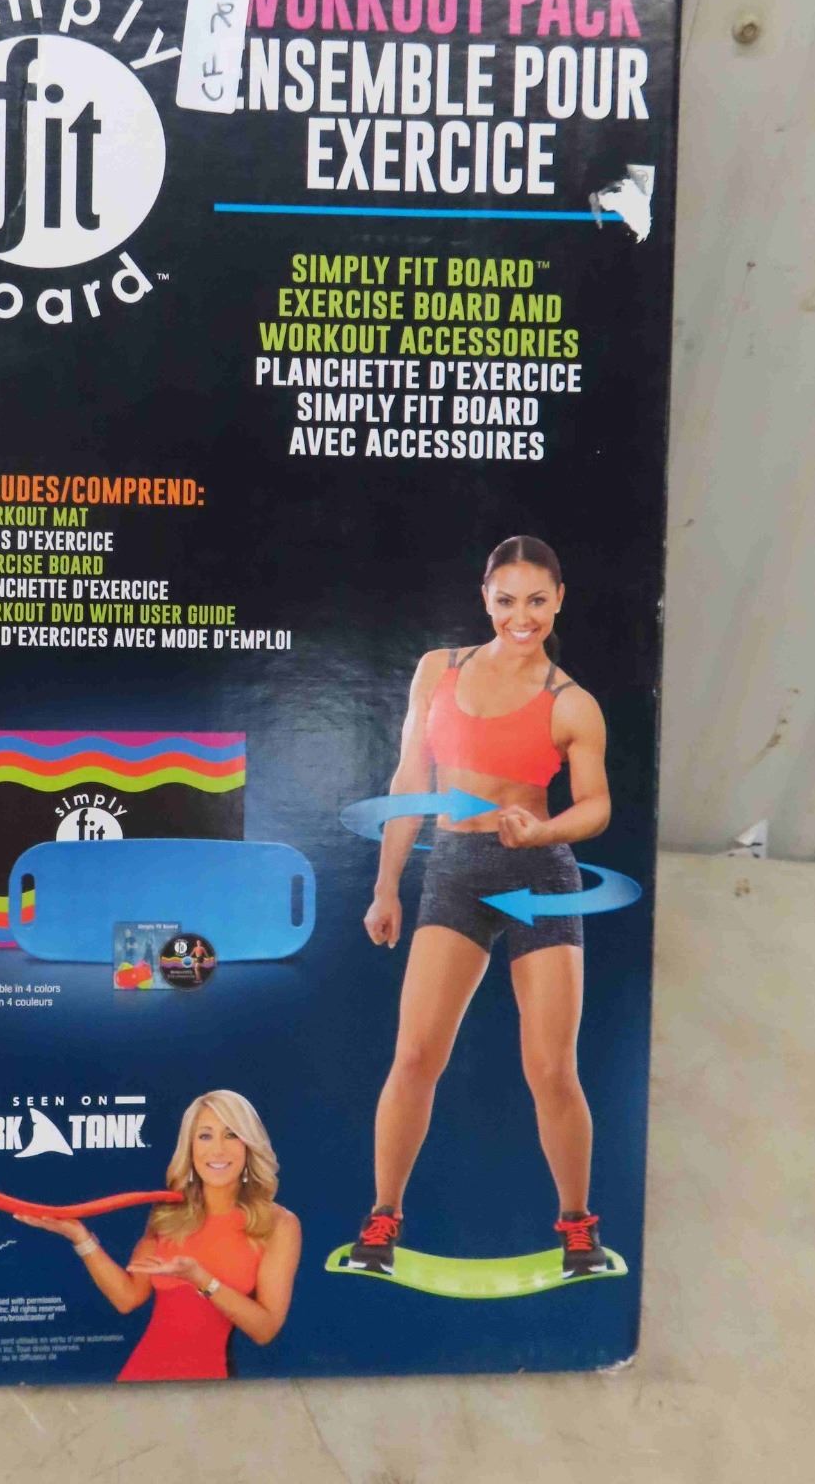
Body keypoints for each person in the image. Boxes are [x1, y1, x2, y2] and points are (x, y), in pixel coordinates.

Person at [348, 535, 614, 1282]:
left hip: (538, 875)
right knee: (414, 1055)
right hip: (455, 872)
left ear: (559, 600)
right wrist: (385, 886)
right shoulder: (438, 669)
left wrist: (544, 831)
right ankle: (383, 1219)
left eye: (537, 601)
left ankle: (578, 1228)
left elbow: (595, 805)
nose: (520, 617)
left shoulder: (572, 703)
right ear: (485, 598)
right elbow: (410, 778)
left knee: (551, 1069)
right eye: (505, 600)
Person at [15, 1089, 301, 1380]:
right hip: (137, 1379)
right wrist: (80, 1237)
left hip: (211, 1386)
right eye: (205, 1136)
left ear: (249, 1145)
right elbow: (127, 1298)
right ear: (190, 1147)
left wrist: (200, 1278)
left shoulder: (279, 1224)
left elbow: (265, 1330)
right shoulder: (170, 1211)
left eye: (231, 1135)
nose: (217, 1150)